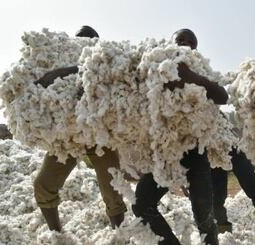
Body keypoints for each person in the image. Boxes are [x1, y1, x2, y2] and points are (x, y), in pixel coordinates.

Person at [131, 29, 228, 245]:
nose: (184, 43)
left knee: (203, 214)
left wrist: (189, 77)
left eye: (189, 41)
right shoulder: (157, 65)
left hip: (195, 153)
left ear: (195, 48)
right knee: (141, 203)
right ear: (170, 43)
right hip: (166, 153)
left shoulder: (202, 70)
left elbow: (222, 96)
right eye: (179, 39)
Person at [33, 26, 127, 232]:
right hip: (68, 137)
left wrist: (61, 72)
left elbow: (100, 73)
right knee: (43, 185)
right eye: (79, 39)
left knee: (113, 193)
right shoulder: (58, 60)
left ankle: (120, 236)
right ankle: (57, 235)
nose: (83, 42)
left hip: (100, 138)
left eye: (88, 40)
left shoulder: (105, 60)